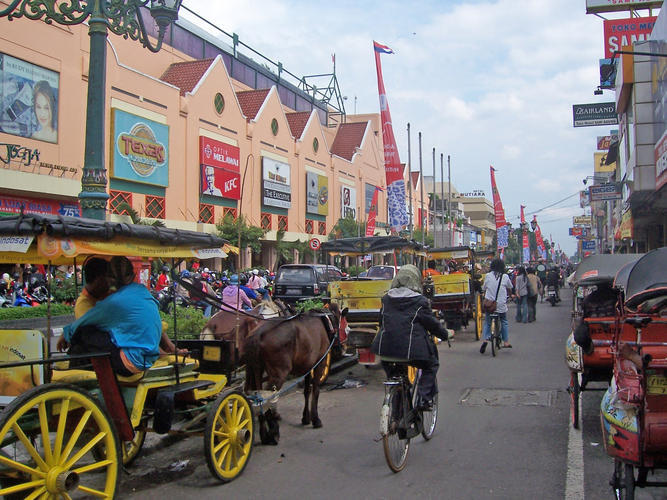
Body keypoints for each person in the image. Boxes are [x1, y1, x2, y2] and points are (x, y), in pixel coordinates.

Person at [59, 256, 161, 375]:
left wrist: (65, 334)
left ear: (109, 279)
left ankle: (77, 381)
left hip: (131, 361)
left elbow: (82, 323)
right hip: (147, 358)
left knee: (84, 332)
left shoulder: (114, 302)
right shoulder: (142, 291)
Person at [370, 264, 449, 409]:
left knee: (394, 374)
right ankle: (424, 399)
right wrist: (445, 334)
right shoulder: (420, 301)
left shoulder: (386, 299)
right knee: (432, 364)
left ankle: (397, 393)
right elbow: (432, 324)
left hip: (386, 350)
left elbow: (381, 321)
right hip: (412, 352)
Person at [480, 258, 514, 353]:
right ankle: (506, 341)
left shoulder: (488, 276)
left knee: (487, 322)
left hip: (489, 305)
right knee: (504, 321)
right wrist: (511, 295)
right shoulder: (505, 276)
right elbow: (510, 287)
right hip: (501, 304)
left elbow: (484, 288)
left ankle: (486, 339)